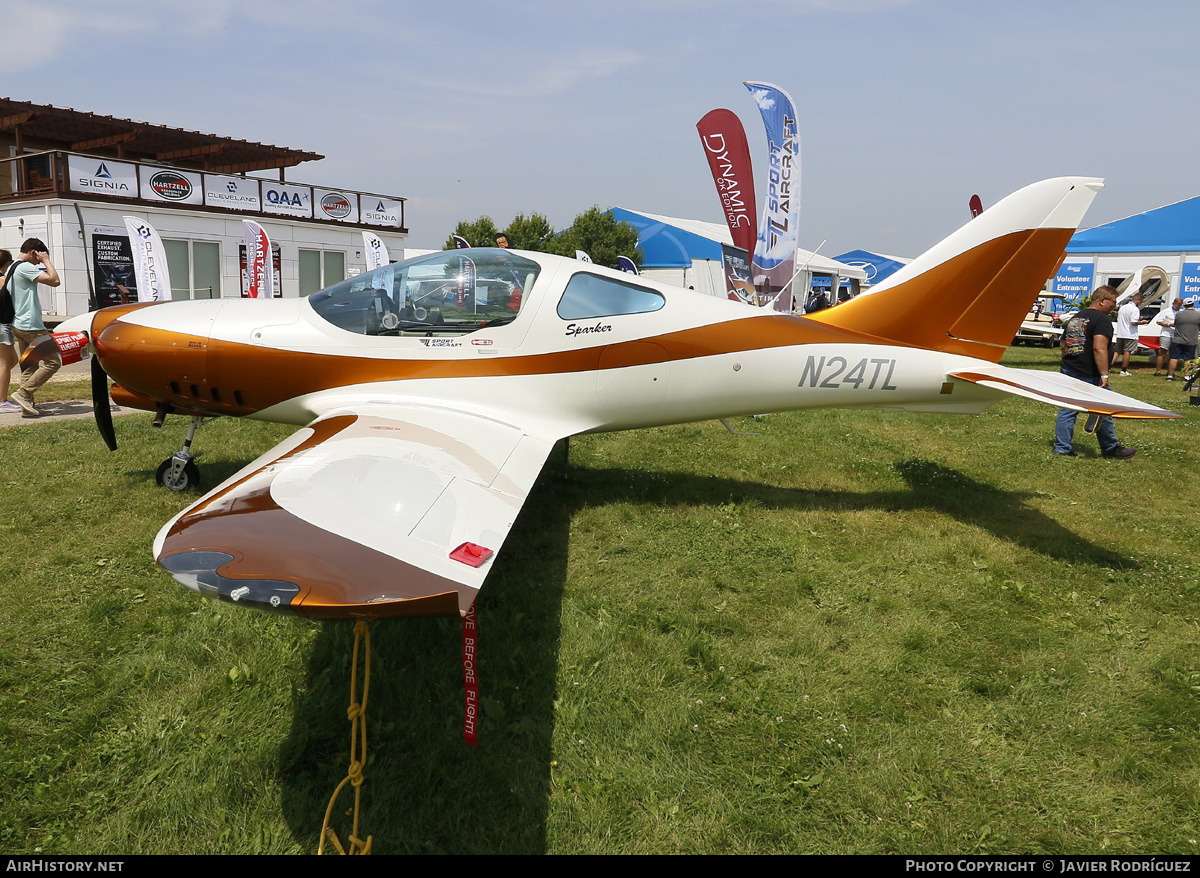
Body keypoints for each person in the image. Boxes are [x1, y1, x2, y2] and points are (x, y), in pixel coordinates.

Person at [1053, 285, 1136, 459]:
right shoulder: (1102, 320)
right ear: (1102, 300)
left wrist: (1067, 365)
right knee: (1104, 409)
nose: (1114, 305)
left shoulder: (1076, 317)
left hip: (1070, 369)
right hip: (1090, 374)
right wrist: (1104, 375)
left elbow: (1064, 345)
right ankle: (1110, 448)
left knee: (1068, 410)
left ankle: (1061, 448)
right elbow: (1099, 348)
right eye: (1113, 301)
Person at [8, 238, 61, 417]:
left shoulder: (11, 267)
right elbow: (55, 281)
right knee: (53, 361)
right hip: (31, 325)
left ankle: (27, 408)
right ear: (33, 252)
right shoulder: (24, 267)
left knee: (29, 366)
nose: (38, 262)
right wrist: (46, 261)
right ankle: (23, 394)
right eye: (38, 258)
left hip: (17, 324)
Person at [0, 249, 18, 414]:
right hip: (2, 325)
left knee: (12, 360)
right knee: (5, 364)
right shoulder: (3, 280)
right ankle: (2, 401)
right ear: (7, 264)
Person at [1110, 291, 1145, 376]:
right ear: (1138, 300)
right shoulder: (1135, 309)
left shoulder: (1123, 307)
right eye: (1141, 302)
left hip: (1121, 333)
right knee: (1127, 351)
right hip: (1130, 334)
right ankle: (1124, 370)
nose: (1141, 303)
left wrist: (1137, 320)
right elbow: (1133, 322)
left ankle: (1108, 367)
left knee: (1117, 351)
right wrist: (1142, 322)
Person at [1167, 299, 1200, 382]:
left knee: (1174, 358)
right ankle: (1187, 376)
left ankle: (1170, 376)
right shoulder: (1197, 315)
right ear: (1193, 304)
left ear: (1184, 305)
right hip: (1191, 340)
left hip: (1178, 339)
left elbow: (1175, 324)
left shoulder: (1179, 314)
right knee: (1188, 359)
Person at [1152, 297, 1181, 376]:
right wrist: (1169, 324)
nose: (1178, 307)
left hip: (1176, 335)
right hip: (1166, 334)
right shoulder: (1166, 311)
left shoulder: (1181, 312)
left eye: (1180, 306)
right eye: (1177, 305)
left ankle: (1170, 371)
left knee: (1173, 355)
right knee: (1163, 353)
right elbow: (1159, 321)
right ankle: (1158, 371)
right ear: (1173, 304)